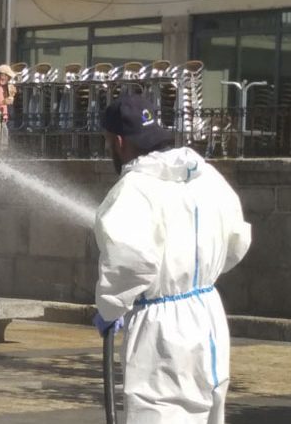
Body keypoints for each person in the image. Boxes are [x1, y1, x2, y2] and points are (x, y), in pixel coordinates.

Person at [92, 95, 251, 424]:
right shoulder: (206, 177)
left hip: (162, 330)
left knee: (159, 409)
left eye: (108, 142)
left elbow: (129, 264)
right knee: (207, 409)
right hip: (208, 315)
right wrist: (195, 277)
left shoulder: (132, 190)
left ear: (119, 142)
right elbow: (237, 241)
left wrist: (110, 308)